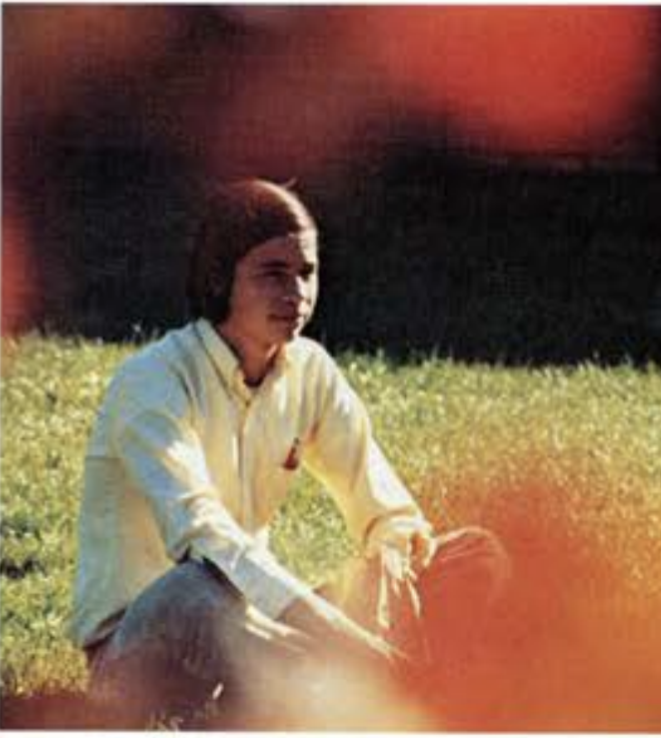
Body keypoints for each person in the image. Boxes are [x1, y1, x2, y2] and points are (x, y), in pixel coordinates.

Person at [69, 179, 509, 729]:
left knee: (471, 553)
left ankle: (343, 683)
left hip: (256, 628)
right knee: (198, 586)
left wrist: (389, 556)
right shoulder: (152, 380)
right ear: (218, 278)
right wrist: (352, 641)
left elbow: (384, 506)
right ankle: (363, 688)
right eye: (273, 274)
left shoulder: (310, 370)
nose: (297, 294)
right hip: (145, 649)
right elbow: (208, 542)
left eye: (306, 273)